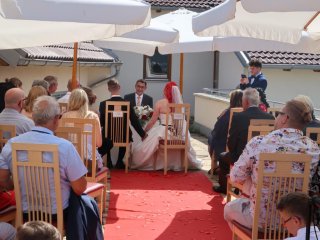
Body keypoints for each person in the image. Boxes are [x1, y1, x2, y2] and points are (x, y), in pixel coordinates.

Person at [224, 98, 320, 230]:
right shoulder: (313, 149)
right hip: (295, 223)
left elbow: (235, 177)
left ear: (284, 118)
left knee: (228, 209)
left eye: (278, 114)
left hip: (260, 221)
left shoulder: (258, 143)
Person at [0, 95, 88, 218]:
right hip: (58, 213)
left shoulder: (11, 144)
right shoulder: (64, 146)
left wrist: (22, 183)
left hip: (25, 212)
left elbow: (3, 180)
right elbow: (80, 188)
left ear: (34, 118)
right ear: (56, 119)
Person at [214, 88, 274, 194]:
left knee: (223, 157)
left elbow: (231, 142)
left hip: (241, 157)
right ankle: (239, 187)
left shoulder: (238, 117)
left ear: (246, 102)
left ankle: (225, 187)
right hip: (263, 159)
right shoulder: (270, 118)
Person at [131, 81, 202, 170]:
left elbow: (152, 121)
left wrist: (144, 132)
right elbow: (181, 122)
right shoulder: (180, 105)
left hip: (163, 131)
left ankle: (155, 164)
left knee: (144, 145)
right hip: (177, 133)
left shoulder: (160, 103)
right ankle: (177, 164)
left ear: (165, 91)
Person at [98, 78, 147, 169]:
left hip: (108, 135)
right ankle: (119, 162)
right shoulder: (127, 103)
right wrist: (142, 134)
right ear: (119, 88)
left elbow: (101, 122)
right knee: (126, 134)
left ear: (109, 89)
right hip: (124, 135)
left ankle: (108, 162)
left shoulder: (103, 104)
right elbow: (134, 121)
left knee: (104, 136)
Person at [62, 88, 103, 171]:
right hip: (88, 163)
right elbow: (99, 143)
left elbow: (62, 140)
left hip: (69, 162)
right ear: (85, 101)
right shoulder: (93, 116)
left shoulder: (64, 117)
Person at [208, 89, 243, 175]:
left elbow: (217, 128)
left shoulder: (227, 112)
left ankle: (215, 165)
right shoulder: (244, 113)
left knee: (211, 138)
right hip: (238, 142)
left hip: (224, 142)